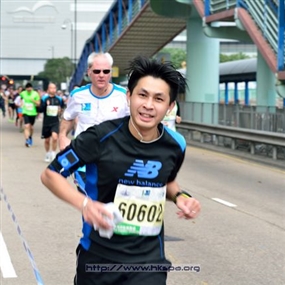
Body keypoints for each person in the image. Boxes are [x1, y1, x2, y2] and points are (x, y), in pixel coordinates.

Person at [41, 55, 201, 285]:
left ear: (170, 106)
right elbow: (50, 175)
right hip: (99, 258)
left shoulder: (176, 144)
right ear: (129, 96)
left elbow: (166, 182)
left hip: (149, 262)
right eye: (142, 95)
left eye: (159, 99)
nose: (148, 105)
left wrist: (181, 197)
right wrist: (85, 205)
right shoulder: (99, 137)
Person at [59, 52, 130, 192]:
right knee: (89, 202)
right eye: (97, 71)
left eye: (106, 71)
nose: (101, 75)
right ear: (89, 72)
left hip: (114, 160)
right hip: (83, 160)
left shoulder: (124, 96)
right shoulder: (78, 95)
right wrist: (62, 136)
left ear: (111, 72)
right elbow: (67, 118)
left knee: (109, 206)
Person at [39, 83, 65, 162]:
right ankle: (47, 153)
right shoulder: (44, 98)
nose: (53, 90)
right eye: (51, 88)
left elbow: (63, 106)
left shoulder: (59, 99)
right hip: (46, 122)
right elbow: (40, 109)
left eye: (54, 88)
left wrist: (60, 111)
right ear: (48, 89)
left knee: (54, 137)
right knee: (47, 140)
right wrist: (45, 105)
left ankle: (53, 153)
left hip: (55, 121)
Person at [20, 82, 41, 147]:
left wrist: (33, 101)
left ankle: (30, 137)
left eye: (30, 88)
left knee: (31, 127)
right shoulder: (23, 93)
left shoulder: (35, 94)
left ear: (32, 88)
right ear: (26, 89)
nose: (29, 89)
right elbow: (21, 99)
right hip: (25, 112)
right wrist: (21, 104)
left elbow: (38, 103)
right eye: (27, 88)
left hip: (33, 112)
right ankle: (27, 140)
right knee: (26, 126)